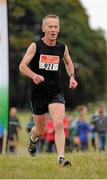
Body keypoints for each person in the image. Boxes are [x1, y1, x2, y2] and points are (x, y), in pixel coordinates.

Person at [19, 14, 78, 167]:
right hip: (38, 93)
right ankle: (33, 140)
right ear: (44, 28)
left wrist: (72, 76)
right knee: (41, 130)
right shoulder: (35, 46)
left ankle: (60, 158)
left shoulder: (62, 48)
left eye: (56, 27)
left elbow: (69, 62)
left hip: (55, 91)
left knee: (59, 123)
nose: (53, 29)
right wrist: (34, 75)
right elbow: (22, 66)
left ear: (59, 29)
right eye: (50, 26)